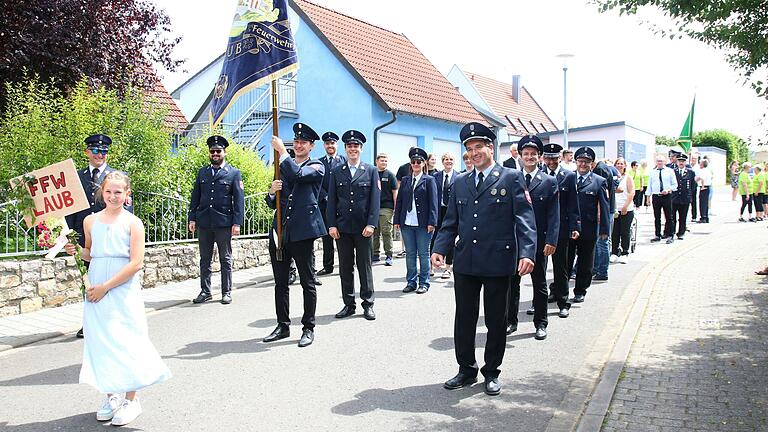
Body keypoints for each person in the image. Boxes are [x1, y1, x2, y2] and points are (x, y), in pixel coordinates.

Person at [432, 122, 536, 396]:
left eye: (479, 147)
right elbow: (450, 221)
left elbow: (525, 218)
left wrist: (527, 252)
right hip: (466, 262)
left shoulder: (511, 178)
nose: (474, 153)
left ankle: (491, 371)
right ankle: (466, 369)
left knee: (495, 320)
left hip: (498, 262)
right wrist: (440, 248)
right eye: (469, 149)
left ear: (491, 147)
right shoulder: (460, 182)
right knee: (464, 318)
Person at [65, 171, 170, 426]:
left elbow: (135, 263)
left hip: (121, 287)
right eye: (109, 191)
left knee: (127, 340)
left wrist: (106, 287)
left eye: (118, 192)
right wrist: (76, 250)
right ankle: (111, 395)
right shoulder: (90, 221)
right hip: (96, 285)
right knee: (102, 340)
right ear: (102, 192)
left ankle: (131, 399)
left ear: (127, 194)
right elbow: (91, 253)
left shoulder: (134, 223)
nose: (113, 196)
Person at [262, 124, 326, 347]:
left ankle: (308, 327)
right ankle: (283, 325)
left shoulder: (316, 166)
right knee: (280, 283)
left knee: (307, 282)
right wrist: (271, 192)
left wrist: (282, 152)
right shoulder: (283, 167)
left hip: (303, 231)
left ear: (311, 146)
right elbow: (273, 203)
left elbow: (298, 175)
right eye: (296, 142)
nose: (298, 145)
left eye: (303, 143)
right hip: (281, 230)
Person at [66, 134, 133, 339]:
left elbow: (128, 210)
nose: (100, 155)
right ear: (87, 152)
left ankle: (111, 320)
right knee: (88, 280)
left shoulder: (116, 177)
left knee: (110, 280)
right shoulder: (77, 176)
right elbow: (70, 209)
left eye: (103, 151)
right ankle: (89, 321)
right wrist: (68, 236)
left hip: (109, 235)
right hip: (84, 235)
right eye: (95, 151)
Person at [507, 135, 559, 340]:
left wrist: (551, 240)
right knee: (512, 284)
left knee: (540, 284)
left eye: (533, 154)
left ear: (540, 157)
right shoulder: (511, 178)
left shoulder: (549, 181)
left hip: (539, 241)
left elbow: (554, 214)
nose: (529, 157)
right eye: (525, 154)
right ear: (520, 156)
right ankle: (511, 321)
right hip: (514, 240)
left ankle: (541, 323)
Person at [327, 130, 381, 320]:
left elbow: (375, 200)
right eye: (349, 146)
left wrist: (372, 224)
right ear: (346, 149)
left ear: (361, 148)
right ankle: (348, 304)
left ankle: (368, 303)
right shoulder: (336, 172)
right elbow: (332, 200)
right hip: (342, 229)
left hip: (363, 229)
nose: (353, 149)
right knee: (345, 267)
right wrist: (332, 225)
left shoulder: (371, 170)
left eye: (356, 146)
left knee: (364, 266)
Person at [188, 136, 245, 305]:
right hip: (204, 222)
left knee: (225, 258)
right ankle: (205, 291)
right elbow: (195, 197)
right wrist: (192, 218)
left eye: (218, 151)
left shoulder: (233, 173)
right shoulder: (203, 172)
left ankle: (226, 292)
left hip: (223, 223)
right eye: (212, 151)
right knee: (204, 259)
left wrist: (237, 223)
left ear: (224, 152)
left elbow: (238, 200)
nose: (215, 154)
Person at [541, 143, 580, 319]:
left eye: (554, 158)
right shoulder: (539, 175)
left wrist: (575, 226)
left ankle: (563, 302)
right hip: (541, 228)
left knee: (561, 266)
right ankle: (540, 301)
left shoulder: (569, 176)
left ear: (560, 158)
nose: (551, 161)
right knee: (539, 269)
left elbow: (573, 203)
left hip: (562, 228)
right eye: (548, 158)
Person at [566, 147, 610, 303]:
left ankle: (580, 290)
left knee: (585, 262)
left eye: (587, 162)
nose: (583, 164)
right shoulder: (568, 178)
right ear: (575, 162)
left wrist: (604, 229)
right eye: (580, 161)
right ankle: (562, 289)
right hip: (569, 228)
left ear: (592, 164)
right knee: (566, 260)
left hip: (588, 227)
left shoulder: (599, 181)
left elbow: (605, 207)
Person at [394, 147, 438, 294]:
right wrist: (396, 220)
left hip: (423, 223)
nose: (416, 164)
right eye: (413, 161)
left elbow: (434, 203)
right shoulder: (406, 180)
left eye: (419, 161)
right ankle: (411, 281)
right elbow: (399, 201)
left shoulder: (429, 180)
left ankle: (424, 283)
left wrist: (432, 222)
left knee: (424, 254)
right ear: (410, 163)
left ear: (424, 163)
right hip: (407, 222)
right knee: (410, 254)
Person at [316, 132, 346, 276]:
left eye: (332, 143)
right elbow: (317, 183)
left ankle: (345, 264)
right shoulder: (319, 162)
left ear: (337, 145)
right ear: (324, 146)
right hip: (324, 204)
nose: (330, 146)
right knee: (327, 236)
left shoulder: (343, 161)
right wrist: (325, 196)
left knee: (342, 236)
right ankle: (328, 266)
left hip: (341, 205)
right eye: (327, 143)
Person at [431, 152, 459, 279]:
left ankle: (448, 267)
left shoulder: (459, 177)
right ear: (442, 162)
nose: (448, 161)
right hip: (439, 210)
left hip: (452, 211)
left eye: (451, 159)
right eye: (446, 159)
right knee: (435, 237)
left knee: (451, 239)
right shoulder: (435, 176)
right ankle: (432, 264)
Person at [591, 157, 617, 281]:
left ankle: (602, 271)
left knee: (602, 241)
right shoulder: (603, 167)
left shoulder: (600, 170)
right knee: (599, 242)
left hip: (604, 211)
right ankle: (596, 268)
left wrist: (601, 215)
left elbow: (602, 194)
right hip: (607, 210)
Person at [645, 154, 678, 242]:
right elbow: (649, 185)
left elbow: (675, 185)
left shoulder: (670, 171)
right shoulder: (653, 172)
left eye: (661, 161)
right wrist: (648, 198)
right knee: (657, 217)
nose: (659, 162)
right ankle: (657, 235)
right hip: (656, 196)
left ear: (665, 162)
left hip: (667, 196)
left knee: (669, 216)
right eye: (658, 161)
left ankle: (670, 235)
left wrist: (668, 190)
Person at [372, 153, 398, 266]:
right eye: (382, 160)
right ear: (377, 161)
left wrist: (396, 208)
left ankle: (389, 255)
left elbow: (394, 192)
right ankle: (375, 254)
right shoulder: (372, 173)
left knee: (386, 232)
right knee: (374, 232)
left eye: (386, 161)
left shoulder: (391, 175)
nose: (384, 163)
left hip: (386, 207)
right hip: (373, 207)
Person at [610, 158, 635, 263]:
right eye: (617, 163)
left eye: (621, 164)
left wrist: (625, 206)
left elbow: (631, 192)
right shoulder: (612, 177)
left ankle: (625, 252)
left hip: (626, 209)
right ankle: (614, 252)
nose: (619, 165)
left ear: (625, 165)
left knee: (625, 231)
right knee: (614, 232)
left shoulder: (628, 177)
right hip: (615, 208)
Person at [671, 154, 695, 240]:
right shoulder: (673, 171)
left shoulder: (691, 172)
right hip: (674, 198)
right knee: (672, 217)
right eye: (679, 161)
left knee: (683, 217)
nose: (681, 163)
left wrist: (689, 196)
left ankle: (681, 233)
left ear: (685, 162)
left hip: (685, 198)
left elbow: (693, 186)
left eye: (683, 161)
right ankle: (672, 232)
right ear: (677, 162)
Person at [696, 158, 713, 223]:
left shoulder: (702, 170)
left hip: (704, 187)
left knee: (702, 203)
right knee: (705, 203)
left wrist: (702, 186)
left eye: (700, 163)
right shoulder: (708, 170)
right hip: (708, 187)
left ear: (702, 164)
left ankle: (703, 217)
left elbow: (702, 178)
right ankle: (706, 217)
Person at [689, 152, 700, 221]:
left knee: (693, 201)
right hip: (687, 184)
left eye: (695, 158)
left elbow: (698, 176)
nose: (693, 160)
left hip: (694, 184)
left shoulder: (698, 167)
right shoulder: (688, 166)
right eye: (692, 158)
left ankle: (694, 216)